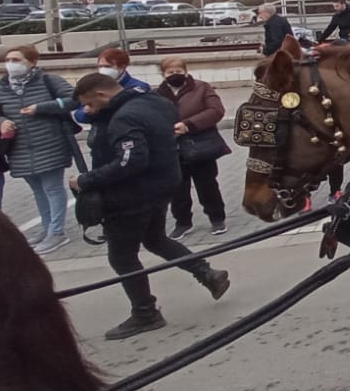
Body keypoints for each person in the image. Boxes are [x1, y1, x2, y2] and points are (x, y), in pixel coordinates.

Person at [71, 71, 231, 339]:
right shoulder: (154, 101)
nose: (88, 110)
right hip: (162, 185)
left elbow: (130, 161)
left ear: (102, 94)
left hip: (130, 195)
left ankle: (145, 313)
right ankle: (206, 273)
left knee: (122, 256)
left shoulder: (125, 117)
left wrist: (86, 180)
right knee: (155, 239)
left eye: (89, 103)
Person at [0, 45, 78, 254]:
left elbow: (74, 100)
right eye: (9, 60)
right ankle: (47, 228)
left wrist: (42, 108)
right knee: (38, 191)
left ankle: (57, 232)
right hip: (20, 148)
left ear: (32, 62)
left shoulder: (49, 81)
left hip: (49, 143)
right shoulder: (1, 88)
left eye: (16, 60)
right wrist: (1, 122)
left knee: (52, 188)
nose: (11, 64)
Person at [157, 56, 230, 240]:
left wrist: (189, 124)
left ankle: (217, 218)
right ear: (163, 74)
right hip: (172, 148)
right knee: (177, 189)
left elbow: (216, 111)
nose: (175, 75)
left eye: (178, 71)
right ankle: (182, 222)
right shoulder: (157, 94)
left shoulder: (201, 87)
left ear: (186, 71)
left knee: (207, 185)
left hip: (201, 144)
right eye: (170, 72)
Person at [73, 46, 151, 127]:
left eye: (108, 66)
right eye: (100, 66)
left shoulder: (137, 87)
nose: (103, 70)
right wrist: (88, 112)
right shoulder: (92, 85)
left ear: (122, 67)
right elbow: (79, 115)